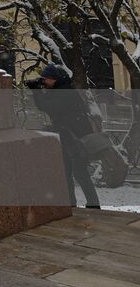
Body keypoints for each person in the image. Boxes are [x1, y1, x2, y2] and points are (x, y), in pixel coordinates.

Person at [29, 64, 101, 209]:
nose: (44, 82)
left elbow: (50, 107)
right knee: (67, 173)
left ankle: (92, 205)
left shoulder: (64, 91)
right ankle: (72, 204)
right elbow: (48, 107)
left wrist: (37, 92)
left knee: (80, 173)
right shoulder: (60, 89)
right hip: (67, 138)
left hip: (75, 139)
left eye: (46, 79)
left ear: (54, 79)